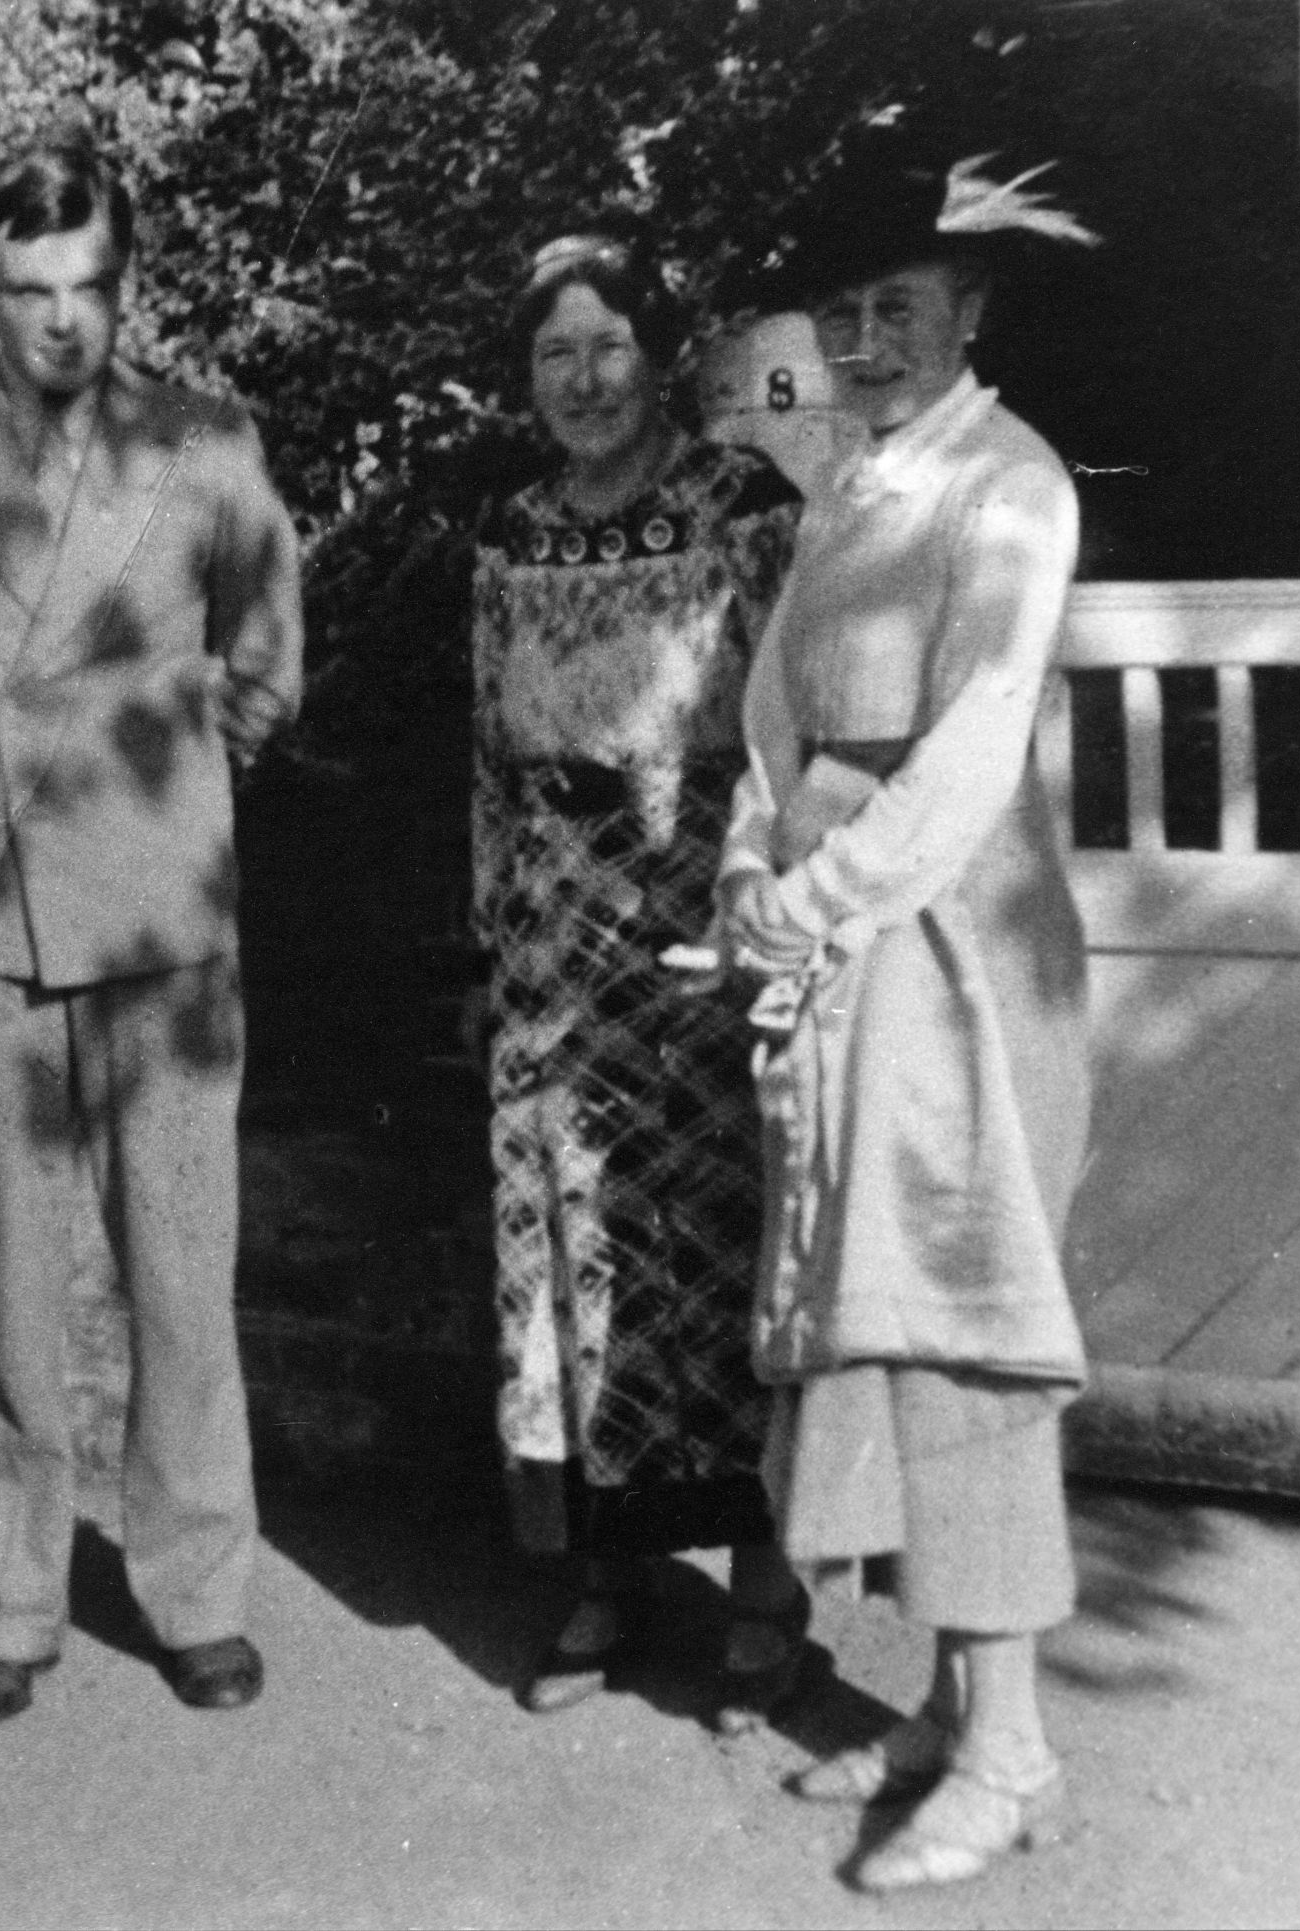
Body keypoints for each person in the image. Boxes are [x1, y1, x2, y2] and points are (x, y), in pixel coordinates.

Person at [0, 132, 303, 1730]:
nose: (59, 321)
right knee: (2, 1284)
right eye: (26, 288)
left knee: (183, 1271)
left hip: (162, 913)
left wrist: (146, 770)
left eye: (88, 285)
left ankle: (195, 1590)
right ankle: (15, 1599)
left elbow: (267, 669)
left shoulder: (212, 446)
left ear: (128, 279)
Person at [715, 148, 1101, 1890]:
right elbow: (771, 715)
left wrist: (808, 905)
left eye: (900, 309)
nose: (865, 342)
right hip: (848, 952)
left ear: (972, 312)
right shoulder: (851, 489)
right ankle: (950, 1711)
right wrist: (750, 867)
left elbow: (968, 752)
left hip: (955, 951)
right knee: (878, 1322)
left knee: (964, 1334)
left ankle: (1011, 1747)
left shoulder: (1006, 487)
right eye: (845, 314)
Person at [469, 234, 806, 1724]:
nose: (585, 379)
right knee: (571, 1264)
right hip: (554, 956)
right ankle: (603, 1582)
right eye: (557, 354)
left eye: (608, 347)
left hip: (697, 937)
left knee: (714, 1256)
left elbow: (796, 737)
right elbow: (487, 759)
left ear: (657, 353)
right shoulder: (509, 531)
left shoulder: (744, 509)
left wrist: (766, 922)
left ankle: (765, 1595)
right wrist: (490, 941)